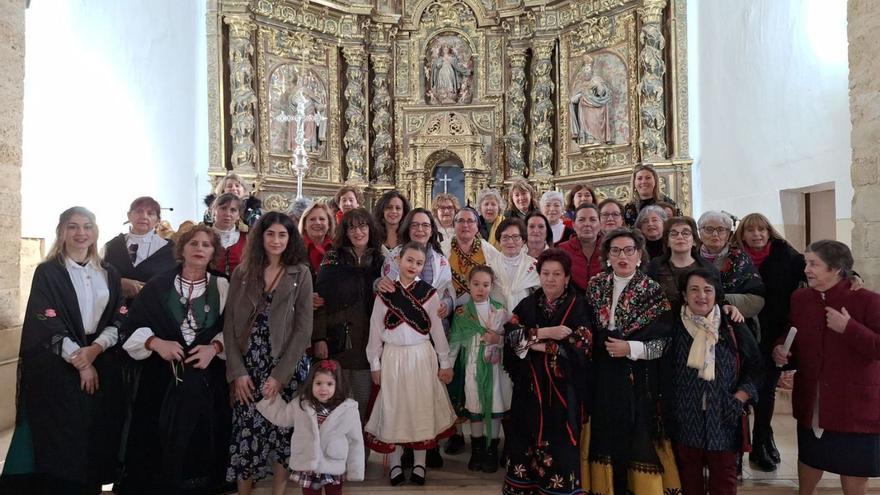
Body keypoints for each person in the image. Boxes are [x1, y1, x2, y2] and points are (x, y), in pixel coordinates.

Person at [0, 207, 125, 494]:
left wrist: (94, 351)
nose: (80, 233)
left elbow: (120, 316)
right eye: (73, 226)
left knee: (94, 436)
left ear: (95, 232)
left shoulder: (108, 272)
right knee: (63, 440)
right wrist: (81, 362)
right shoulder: (49, 271)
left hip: (101, 361)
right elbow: (45, 320)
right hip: (59, 368)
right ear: (62, 231)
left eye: (87, 226)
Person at [120, 225, 230, 494]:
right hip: (160, 383)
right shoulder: (159, 285)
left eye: (206, 244)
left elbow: (237, 330)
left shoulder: (223, 285)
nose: (199, 249)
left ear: (213, 251)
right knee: (156, 444)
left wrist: (214, 347)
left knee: (202, 443)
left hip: (206, 385)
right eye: (194, 243)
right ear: (182, 249)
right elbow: (130, 327)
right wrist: (155, 342)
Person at [773, 240, 880, 495]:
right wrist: (781, 350)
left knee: (853, 470)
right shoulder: (800, 298)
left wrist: (849, 328)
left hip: (854, 405)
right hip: (814, 401)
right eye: (806, 263)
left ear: (836, 269)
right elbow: (793, 334)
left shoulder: (868, 300)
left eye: (814, 264)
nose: (807, 269)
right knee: (810, 461)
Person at [584, 228, 680, 495]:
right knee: (604, 430)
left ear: (639, 255)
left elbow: (664, 343)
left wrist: (630, 348)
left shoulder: (652, 291)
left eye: (629, 250)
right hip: (602, 374)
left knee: (634, 432)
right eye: (615, 251)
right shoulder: (596, 285)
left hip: (637, 376)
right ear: (608, 256)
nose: (622, 256)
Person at [224, 212, 314, 495]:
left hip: (285, 362)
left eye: (282, 235)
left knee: (284, 434)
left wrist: (280, 376)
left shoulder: (300, 272)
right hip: (249, 365)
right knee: (245, 434)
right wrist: (237, 372)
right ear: (260, 237)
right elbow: (229, 327)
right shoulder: (242, 272)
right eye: (270, 234)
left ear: (290, 239)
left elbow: (303, 329)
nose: (276, 240)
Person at [364, 242, 457, 486]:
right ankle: (395, 464)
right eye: (409, 260)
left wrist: (444, 362)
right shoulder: (385, 292)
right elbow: (375, 330)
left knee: (420, 407)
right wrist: (375, 363)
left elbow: (437, 331)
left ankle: (419, 464)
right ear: (398, 261)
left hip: (421, 357)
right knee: (394, 408)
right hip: (393, 357)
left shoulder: (429, 293)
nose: (413, 266)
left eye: (418, 263)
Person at [502, 248, 593, 495]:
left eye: (556, 274)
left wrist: (533, 343)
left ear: (566, 277)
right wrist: (546, 333)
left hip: (562, 392)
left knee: (560, 444)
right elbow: (510, 336)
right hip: (528, 388)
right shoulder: (528, 303)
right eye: (545, 273)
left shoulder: (579, 305)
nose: (550, 279)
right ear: (538, 276)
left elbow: (581, 343)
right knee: (523, 437)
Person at [662, 268, 761, 495]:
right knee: (689, 484)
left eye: (708, 290)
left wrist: (740, 398)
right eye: (694, 290)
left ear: (717, 294)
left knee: (724, 482)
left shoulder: (731, 324)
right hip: (685, 418)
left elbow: (756, 367)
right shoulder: (672, 326)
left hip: (724, 415)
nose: (701, 296)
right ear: (685, 295)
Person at [733, 212, 806, 471]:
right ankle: (740, 446)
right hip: (740, 335)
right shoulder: (734, 258)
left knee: (766, 391)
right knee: (741, 390)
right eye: (751, 230)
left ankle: (763, 440)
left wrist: (849, 273)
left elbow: (814, 267)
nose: (757, 235)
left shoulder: (785, 254)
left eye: (762, 229)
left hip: (773, 334)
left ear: (769, 231)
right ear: (742, 234)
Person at [312, 208, 384, 428]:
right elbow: (320, 301)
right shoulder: (332, 258)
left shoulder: (381, 261)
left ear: (370, 229)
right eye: (352, 228)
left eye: (363, 226)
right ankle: (335, 456)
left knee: (362, 401)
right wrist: (319, 338)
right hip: (337, 340)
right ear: (345, 232)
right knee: (336, 400)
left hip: (368, 342)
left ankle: (358, 455)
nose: (358, 232)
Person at [257, 359, 365, 495]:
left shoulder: (348, 409)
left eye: (329, 384)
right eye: (318, 383)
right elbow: (282, 416)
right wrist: (269, 398)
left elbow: (356, 441)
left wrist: (355, 470)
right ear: (311, 383)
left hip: (333, 463)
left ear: (338, 385)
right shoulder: (301, 405)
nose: (323, 388)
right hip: (308, 464)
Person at [448, 266, 511, 473]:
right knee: (474, 407)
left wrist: (498, 340)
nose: (481, 289)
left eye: (486, 285)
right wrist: (447, 365)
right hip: (473, 367)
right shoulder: (462, 313)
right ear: (468, 285)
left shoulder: (500, 309)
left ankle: (491, 449)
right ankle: (477, 450)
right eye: (476, 284)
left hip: (495, 367)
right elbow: (455, 343)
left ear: (492, 286)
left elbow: (510, 340)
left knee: (494, 407)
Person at [103, 196, 176, 304]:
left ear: (158, 220)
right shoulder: (112, 246)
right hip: (116, 311)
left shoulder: (169, 250)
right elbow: (101, 278)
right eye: (139, 211)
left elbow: (173, 283)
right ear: (129, 215)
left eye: (150, 213)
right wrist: (119, 283)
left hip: (153, 310)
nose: (144, 216)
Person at [697, 211, 766, 325]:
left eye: (721, 230)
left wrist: (716, 300)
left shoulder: (740, 259)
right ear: (699, 232)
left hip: (733, 324)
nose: (715, 234)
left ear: (728, 234)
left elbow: (756, 301)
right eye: (709, 229)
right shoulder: (690, 257)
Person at [646, 216, 717, 306]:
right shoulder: (655, 266)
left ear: (694, 241)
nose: (680, 237)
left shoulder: (708, 268)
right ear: (667, 241)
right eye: (674, 233)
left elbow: (718, 299)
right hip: (664, 318)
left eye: (685, 233)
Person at [443, 207, 502, 304]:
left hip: (481, 310)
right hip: (449, 309)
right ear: (454, 225)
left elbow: (497, 285)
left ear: (477, 227)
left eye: (470, 221)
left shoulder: (490, 252)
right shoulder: (442, 250)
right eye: (460, 221)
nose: (465, 225)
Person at [492, 218, 539, 312]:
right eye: (505, 237)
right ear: (499, 241)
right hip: (496, 316)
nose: (510, 242)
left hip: (526, 315)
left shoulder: (534, 265)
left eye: (515, 237)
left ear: (523, 241)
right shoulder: (490, 266)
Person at [557, 204, 604, 293]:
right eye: (581, 220)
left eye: (593, 220)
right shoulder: (562, 250)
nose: (587, 224)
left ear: (600, 224)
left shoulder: (610, 249)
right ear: (574, 225)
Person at [210, 193, 249, 277]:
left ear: (238, 215)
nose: (228, 214)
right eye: (223, 208)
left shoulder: (247, 238)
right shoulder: (204, 236)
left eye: (233, 210)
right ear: (214, 211)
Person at [299, 202, 335, 279]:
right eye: (312, 219)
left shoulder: (337, 248)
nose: (317, 222)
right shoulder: (294, 248)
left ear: (329, 224)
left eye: (322, 219)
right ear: (304, 225)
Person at [374, 190, 411, 257]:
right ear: (382, 210)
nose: (394, 211)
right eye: (389, 207)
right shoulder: (373, 236)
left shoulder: (409, 237)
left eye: (398, 208)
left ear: (403, 212)